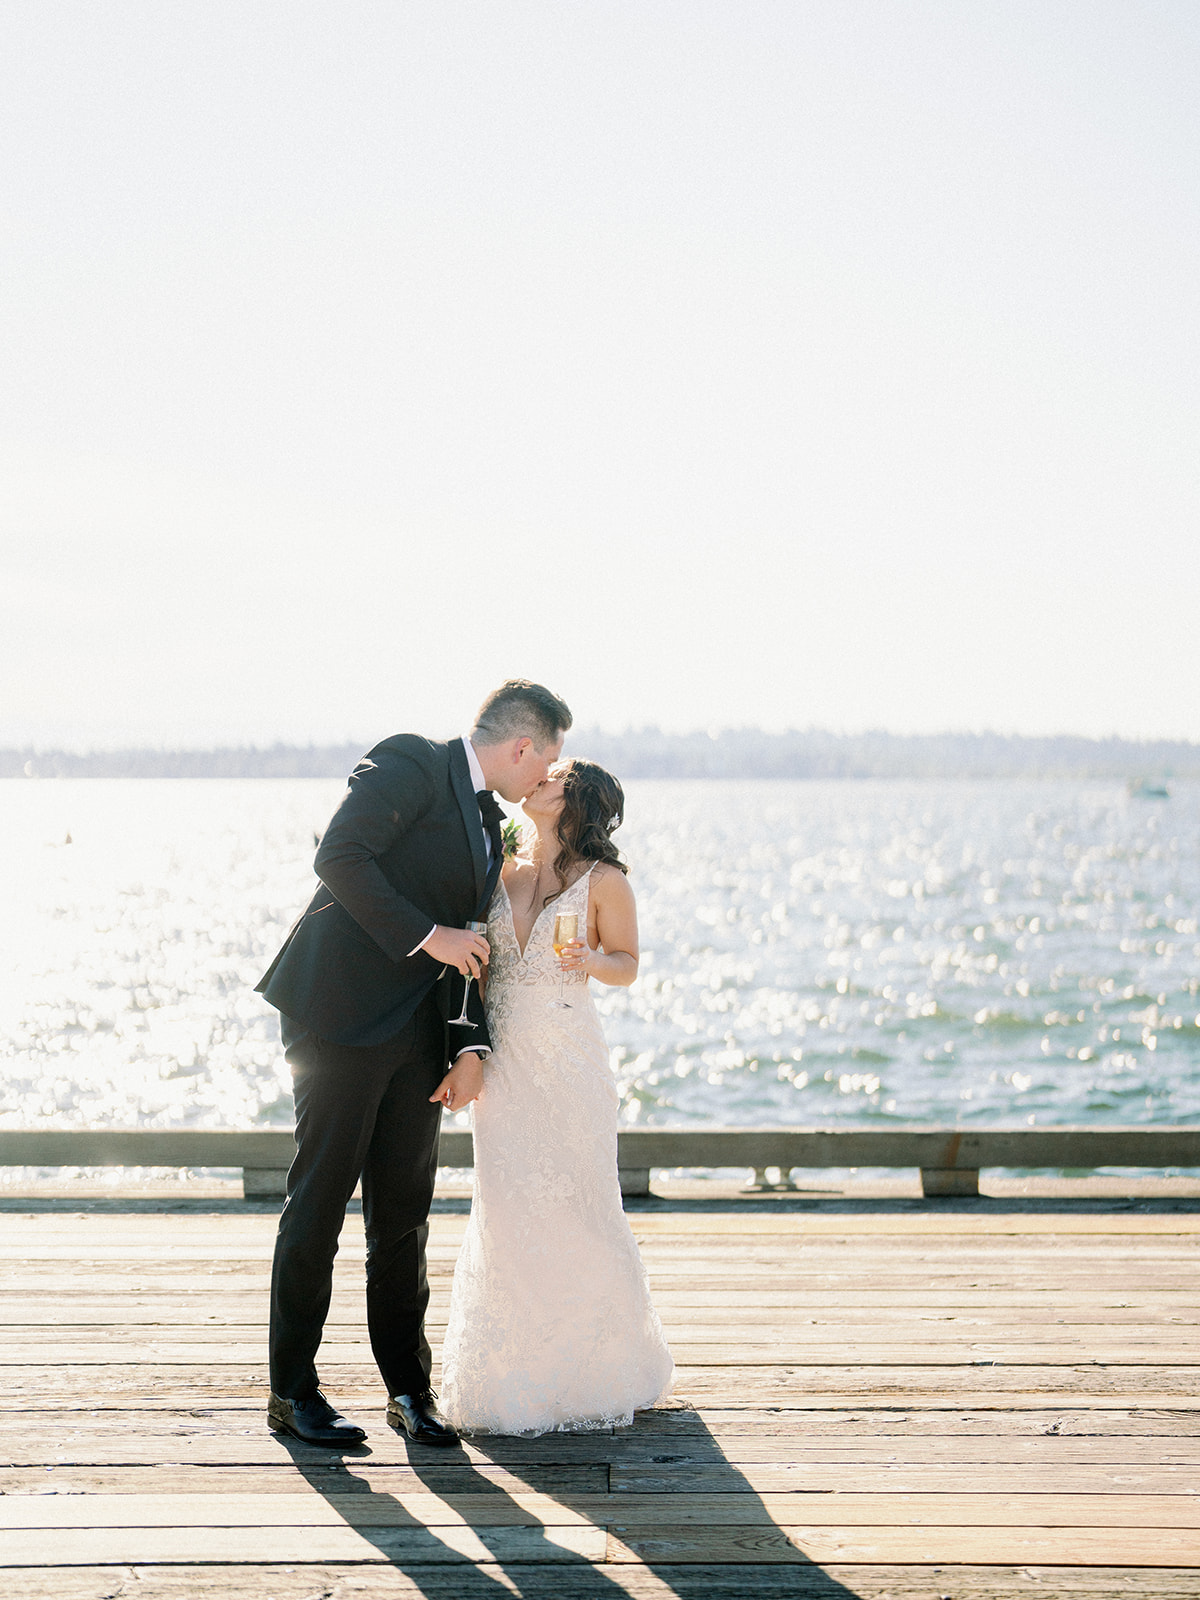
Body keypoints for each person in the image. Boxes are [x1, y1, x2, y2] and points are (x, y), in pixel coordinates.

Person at [254, 679, 572, 1447]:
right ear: (522, 744)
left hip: (415, 1039)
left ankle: (408, 1389)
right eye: (547, 760)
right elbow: (340, 856)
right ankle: (292, 1392)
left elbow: (471, 939)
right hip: (338, 1017)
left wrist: (468, 1045)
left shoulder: (490, 820)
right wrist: (428, 935)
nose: (546, 778)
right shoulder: (410, 763)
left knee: (403, 1216)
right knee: (320, 1203)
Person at [438, 758, 674, 1434]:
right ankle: (512, 1376)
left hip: (571, 1063)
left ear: (578, 802)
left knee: (579, 1202)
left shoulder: (606, 882)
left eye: (554, 778)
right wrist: (463, 1052)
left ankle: (598, 1369)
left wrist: (593, 962)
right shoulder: (500, 865)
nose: (537, 779)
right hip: (505, 1064)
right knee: (508, 1204)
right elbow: (475, 973)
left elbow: (628, 964)